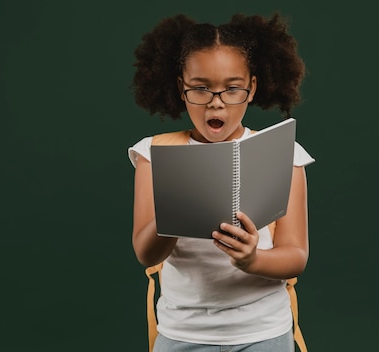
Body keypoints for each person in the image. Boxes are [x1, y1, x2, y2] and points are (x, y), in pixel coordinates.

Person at [127, 12, 315, 352]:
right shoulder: (153, 154)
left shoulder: (285, 154)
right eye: (200, 88)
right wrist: (175, 206)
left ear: (252, 88)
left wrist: (252, 259)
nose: (216, 101)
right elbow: (145, 253)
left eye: (232, 89)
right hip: (182, 335)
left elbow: (297, 254)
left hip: (263, 334)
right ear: (180, 88)